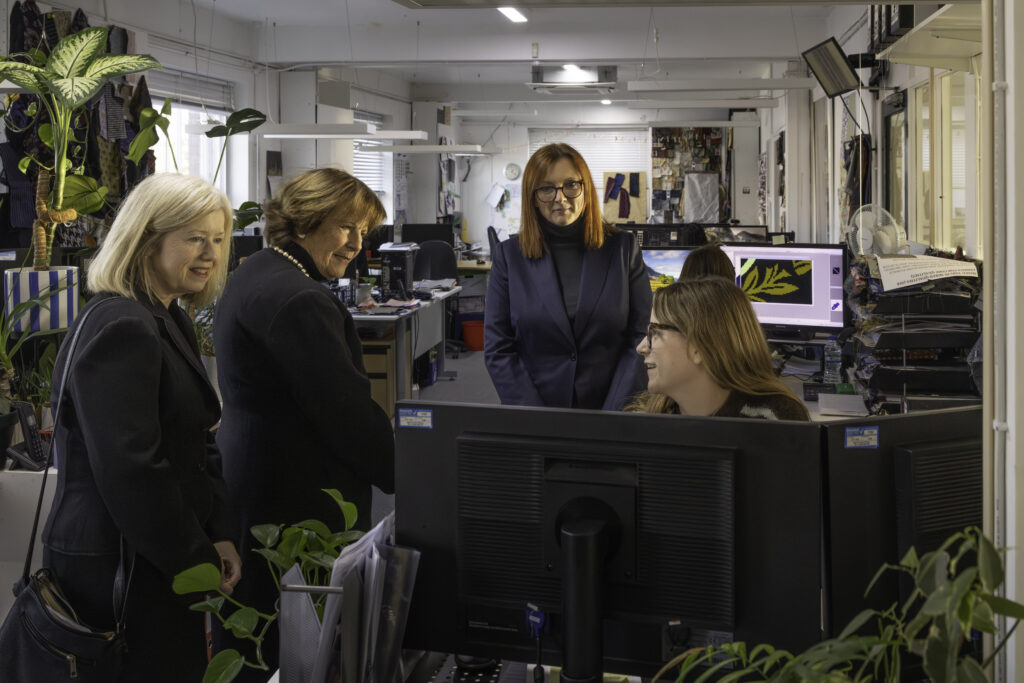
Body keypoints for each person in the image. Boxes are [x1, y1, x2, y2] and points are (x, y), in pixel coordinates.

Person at [41, 173, 241, 682]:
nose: (211, 254)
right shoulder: (124, 325)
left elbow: (196, 439)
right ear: (147, 241)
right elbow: (133, 471)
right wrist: (195, 560)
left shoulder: (165, 316)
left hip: (153, 554)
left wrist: (218, 535)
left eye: (218, 239)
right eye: (194, 238)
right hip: (118, 565)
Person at [213, 168, 395, 678]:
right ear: (306, 219)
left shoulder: (256, 271)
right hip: (294, 504)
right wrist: (414, 476)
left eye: (364, 231)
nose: (357, 244)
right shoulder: (299, 299)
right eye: (346, 227)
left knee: (254, 642)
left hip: (254, 483)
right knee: (293, 651)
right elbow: (347, 416)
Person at [485, 143, 651, 410]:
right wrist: (537, 417)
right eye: (546, 188)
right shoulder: (509, 257)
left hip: (612, 409)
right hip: (535, 413)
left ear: (586, 188)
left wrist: (617, 410)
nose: (560, 198)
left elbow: (641, 337)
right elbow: (498, 348)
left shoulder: (622, 249)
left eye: (571, 184)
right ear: (532, 196)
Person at [628, 277, 809, 420]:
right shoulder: (646, 418)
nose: (641, 348)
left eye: (654, 332)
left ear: (699, 346)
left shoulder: (776, 419)